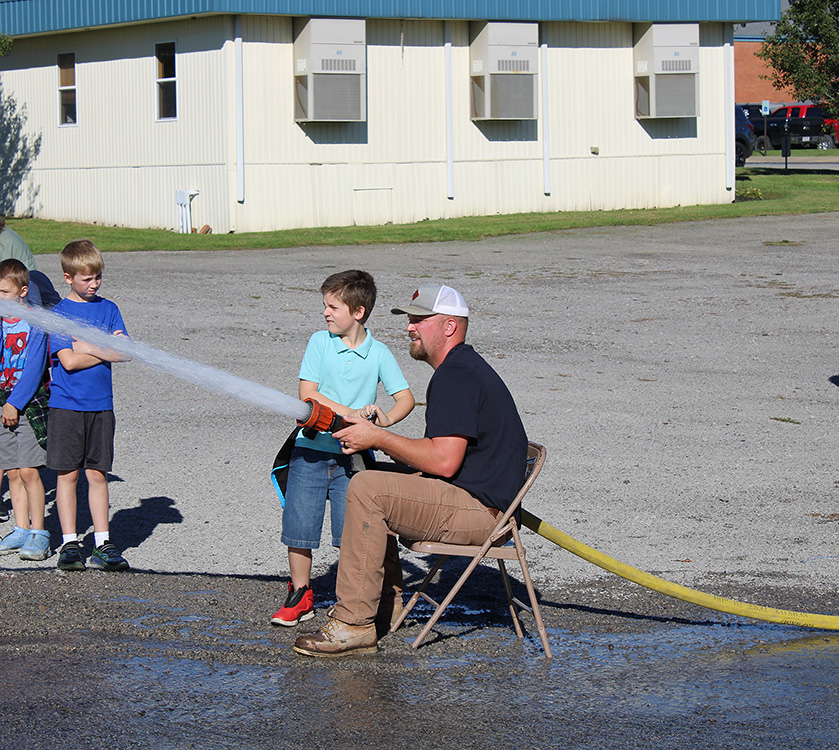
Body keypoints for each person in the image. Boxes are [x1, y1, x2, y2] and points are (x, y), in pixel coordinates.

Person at [293, 283, 528, 657]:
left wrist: (378, 438)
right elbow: (445, 460)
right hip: (475, 500)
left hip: (482, 514)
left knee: (369, 488)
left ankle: (354, 623)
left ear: (449, 326)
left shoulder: (456, 375)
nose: (409, 327)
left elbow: (443, 461)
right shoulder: (461, 369)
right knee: (371, 478)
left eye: (419, 319)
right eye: (410, 320)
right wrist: (375, 443)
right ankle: (384, 606)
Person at [271, 270, 415, 626]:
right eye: (325, 306)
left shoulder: (379, 353)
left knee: (351, 534)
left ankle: (350, 599)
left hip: (352, 458)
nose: (326, 313)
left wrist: (380, 423)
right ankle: (300, 594)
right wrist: (350, 412)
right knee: (299, 527)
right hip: (310, 451)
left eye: (333, 306)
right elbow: (308, 393)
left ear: (359, 312)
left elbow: (406, 399)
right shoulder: (319, 342)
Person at [48, 240, 132, 572]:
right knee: (68, 475)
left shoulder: (109, 308)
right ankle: (70, 544)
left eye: (98, 277)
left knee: (98, 474)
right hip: (66, 406)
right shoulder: (58, 314)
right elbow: (67, 361)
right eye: (86, 279)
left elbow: (126, 352)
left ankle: (102, 543)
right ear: (68, 277)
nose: (94, 284)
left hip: (101, 406)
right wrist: (104, 346)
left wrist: (89, 344)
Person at [0, 260, 51, 560]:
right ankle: (20, 530)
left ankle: (38, 533)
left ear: (22, 291)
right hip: (3, 402)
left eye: (4, 292)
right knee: (13, 473)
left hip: (27, 404)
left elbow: (34, 370)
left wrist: (14, 403)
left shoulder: (36, 323)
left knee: (30, 471)